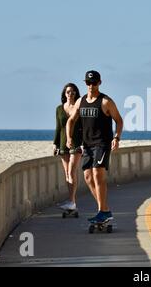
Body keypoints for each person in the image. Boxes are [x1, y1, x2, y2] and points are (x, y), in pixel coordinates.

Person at [66, 70, 123, 224]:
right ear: (85, 83)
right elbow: (71, 120)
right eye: (88, 83)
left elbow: (118, 120)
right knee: (88, 177)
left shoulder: (106, 101)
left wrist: (116, 138)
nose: (91, 86)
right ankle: (104, 209)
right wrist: (69, 137)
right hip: (87, 145)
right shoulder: (81, 101)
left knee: (98, 173)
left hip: (103, 143)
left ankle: (102, 211)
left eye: (94, 83)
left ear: (99, 83)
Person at [53, 83, 83, 211]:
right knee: (67, 173)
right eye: (68, 92)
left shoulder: (79, 107)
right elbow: (58, 128)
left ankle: (71, 201)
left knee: (71, 171)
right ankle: (72, 201)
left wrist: (83, 143)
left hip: (76, 141)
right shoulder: (59, 109)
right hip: (62, 143)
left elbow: (84, 126)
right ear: (64, 94)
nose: (70, 94)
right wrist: (55, 144)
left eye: (73, 92)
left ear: (76, 94)